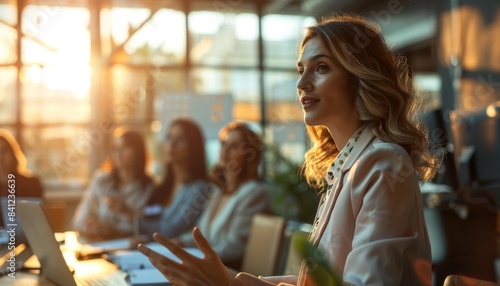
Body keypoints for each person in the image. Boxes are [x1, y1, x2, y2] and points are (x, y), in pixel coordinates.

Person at [137, 14, 439, 286]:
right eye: (301, 70)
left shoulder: (382, 163)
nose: (302, 83)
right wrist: (233, 282)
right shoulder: (350, 164)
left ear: (358, 76)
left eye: (321, 68)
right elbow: (315, 282)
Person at [173, 121, 270, 270]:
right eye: (224, 144)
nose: (225, 151)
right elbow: (204, 235)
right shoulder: (218, 191)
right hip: (206, 269)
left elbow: (234, 247)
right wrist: (180, 242)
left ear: (250, 154)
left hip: (227, 274)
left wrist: (196, 259)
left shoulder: (254, 193)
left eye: (234, 146)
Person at [72, 129, 154, 241]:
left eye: (125, 148)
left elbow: (149, 228)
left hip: (128, 249)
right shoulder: (101, 181)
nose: (118, 153)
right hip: (97, 244)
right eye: (115, 148)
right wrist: (89, 227)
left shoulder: (150, 188)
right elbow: (79, 220)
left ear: (138, 152)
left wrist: (115, 229)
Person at [141, 118, 214, 238]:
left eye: (180, 139)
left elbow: (171, 230)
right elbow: (151, 213)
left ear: (193, 146)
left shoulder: (200, 189)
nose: (172, 144)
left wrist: (135, 221)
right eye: (169, 138)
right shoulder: (164, 186)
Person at [0, 129, 44, 227]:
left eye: (4, 151)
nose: (0, 156)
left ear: (13, 153)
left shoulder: (31, 184)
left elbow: (36, 219)